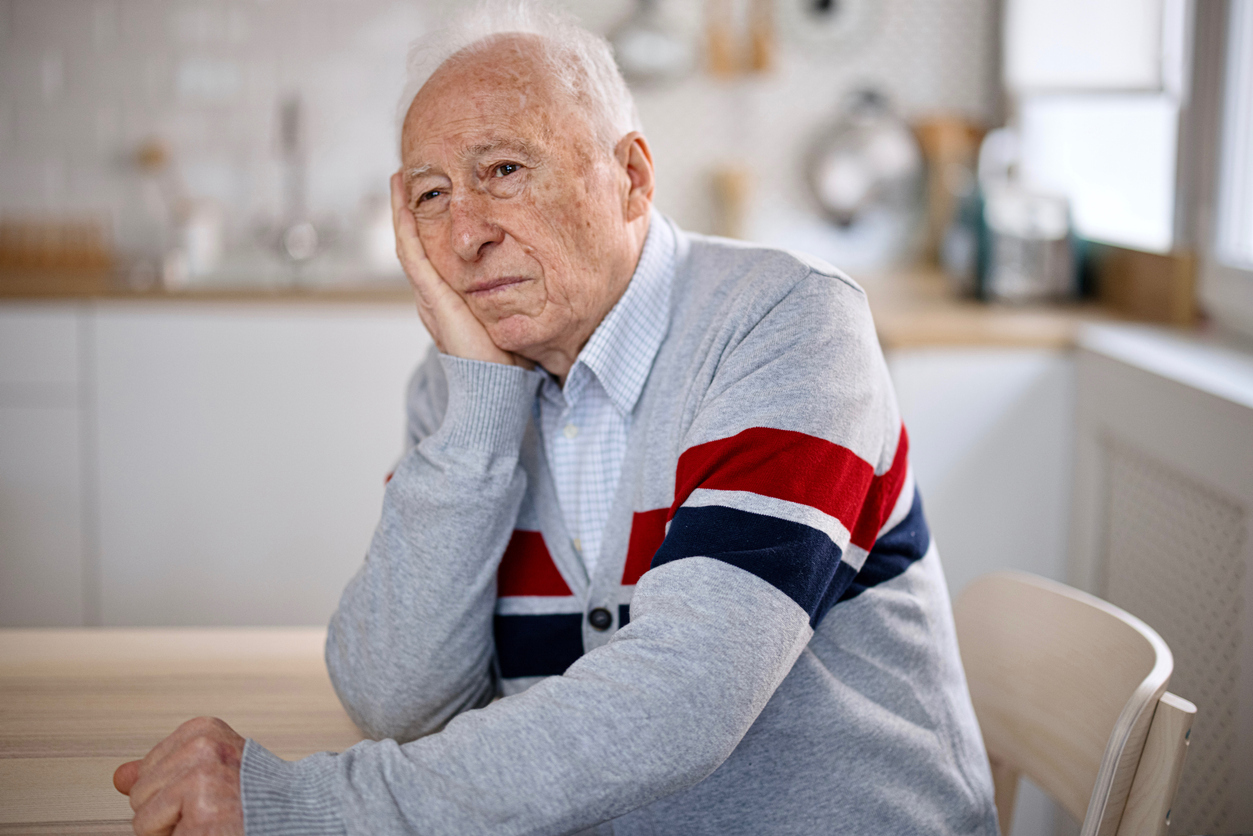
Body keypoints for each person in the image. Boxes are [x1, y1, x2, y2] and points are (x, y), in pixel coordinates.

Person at [113, 4, 999, 834]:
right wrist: (476, 416)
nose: (463, 237)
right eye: (428, 196)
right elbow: (395, 698)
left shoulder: (789, 324)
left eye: (502, 171)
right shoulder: (465, 382)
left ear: (631, 178)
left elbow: (679, 705)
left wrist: (302, 808)